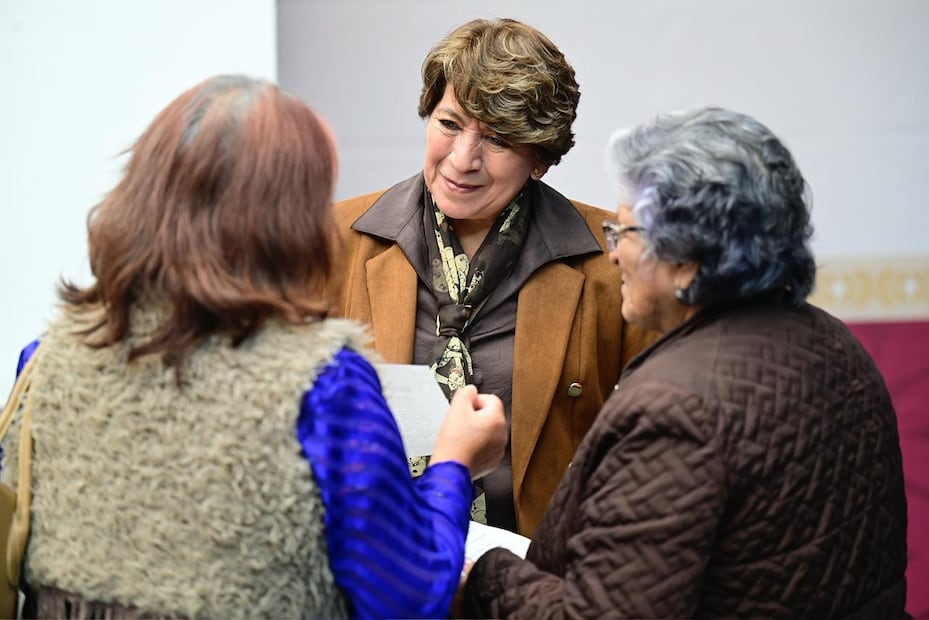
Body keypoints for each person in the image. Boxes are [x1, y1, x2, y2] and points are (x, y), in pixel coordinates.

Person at [0, 74, 508, 620]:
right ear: (291, 218)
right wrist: (454, 465)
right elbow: (405, 596)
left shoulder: (47, 357)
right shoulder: (322, 383)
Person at [460, 107, 909, 618]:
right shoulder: (835, 342)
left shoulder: (675, 410)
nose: (612, 254)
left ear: (688, 259)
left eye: (625, 233)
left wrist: (485, 578)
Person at [328, 17, 658, 537]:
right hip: (375, 576)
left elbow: (655, 444)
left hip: (539, 584)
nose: (462, 160)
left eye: (498, 140)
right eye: (450, 124)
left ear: (540, 160)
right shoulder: (334, 240)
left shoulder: (611, 259)